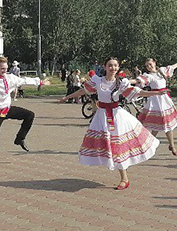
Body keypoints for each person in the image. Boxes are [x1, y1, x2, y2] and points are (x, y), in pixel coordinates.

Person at [59, 58, 158, 190]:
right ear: (105, 67)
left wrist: (155, 93)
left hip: (117, 117)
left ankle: (124, 178)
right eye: (110, 65)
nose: (113, 68)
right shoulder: (97, 81)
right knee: (107, 145)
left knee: (118, 146)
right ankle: (118, 171)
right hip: (101, 116)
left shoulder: (121, 82)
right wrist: (67, 97)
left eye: (115, 65)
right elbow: (84, 90)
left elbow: (136, 92)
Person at [132, 59, 177, 156]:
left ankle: (171, 145)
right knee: (157, 124)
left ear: (154, 63)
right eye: (147, 65)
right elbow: (139, 81)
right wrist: (127, 81)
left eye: (150, 64)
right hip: (155, 100)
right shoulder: (149, 76)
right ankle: (150, 144)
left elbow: (172, 66)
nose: (149, 66)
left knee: (167, 123)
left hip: (164, 100)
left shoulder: (162, 71)